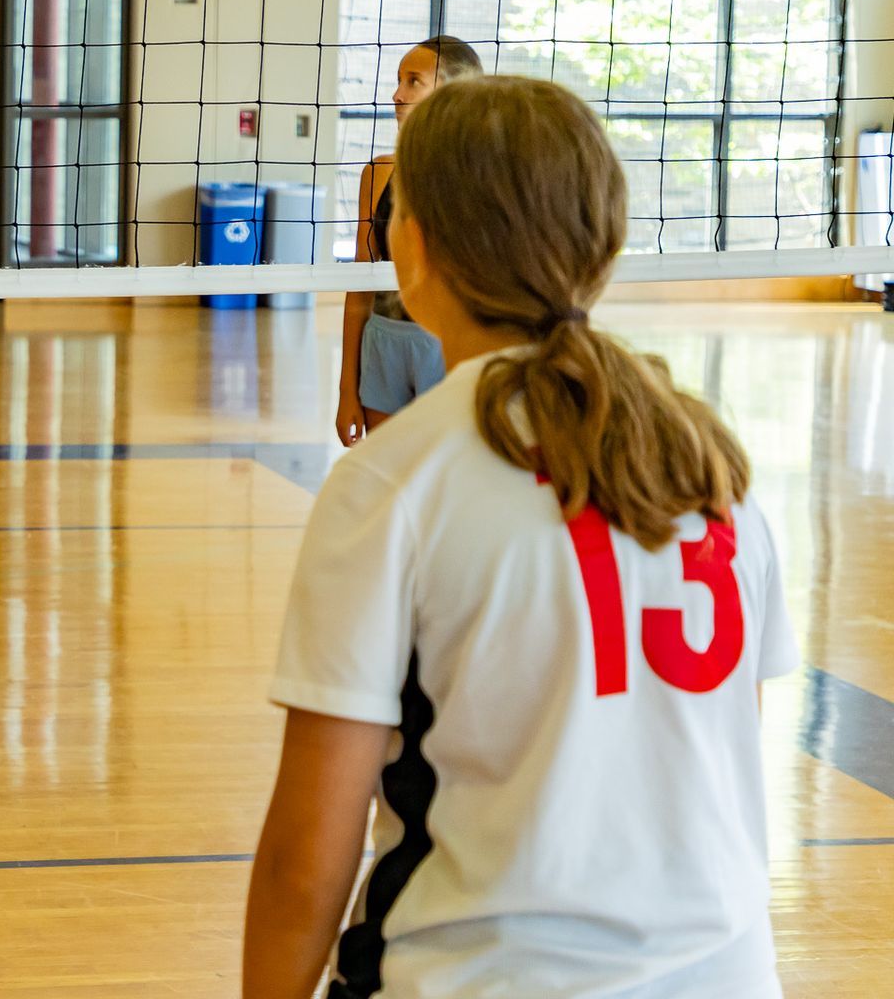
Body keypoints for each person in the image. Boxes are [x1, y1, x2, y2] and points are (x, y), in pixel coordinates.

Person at [242, 76, 796, 998]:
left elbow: (306, 861)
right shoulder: (711, 468)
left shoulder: (395, 481)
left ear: (411, 242)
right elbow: (716, 771)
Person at [335, 36, 481, 446]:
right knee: (389, 483)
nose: (397, 95)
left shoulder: (481, 173)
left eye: (413, 81)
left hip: (448, 344)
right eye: (399, 80)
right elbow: (360, 289)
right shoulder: (381, 173)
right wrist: (348, 388)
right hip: (384, 345)